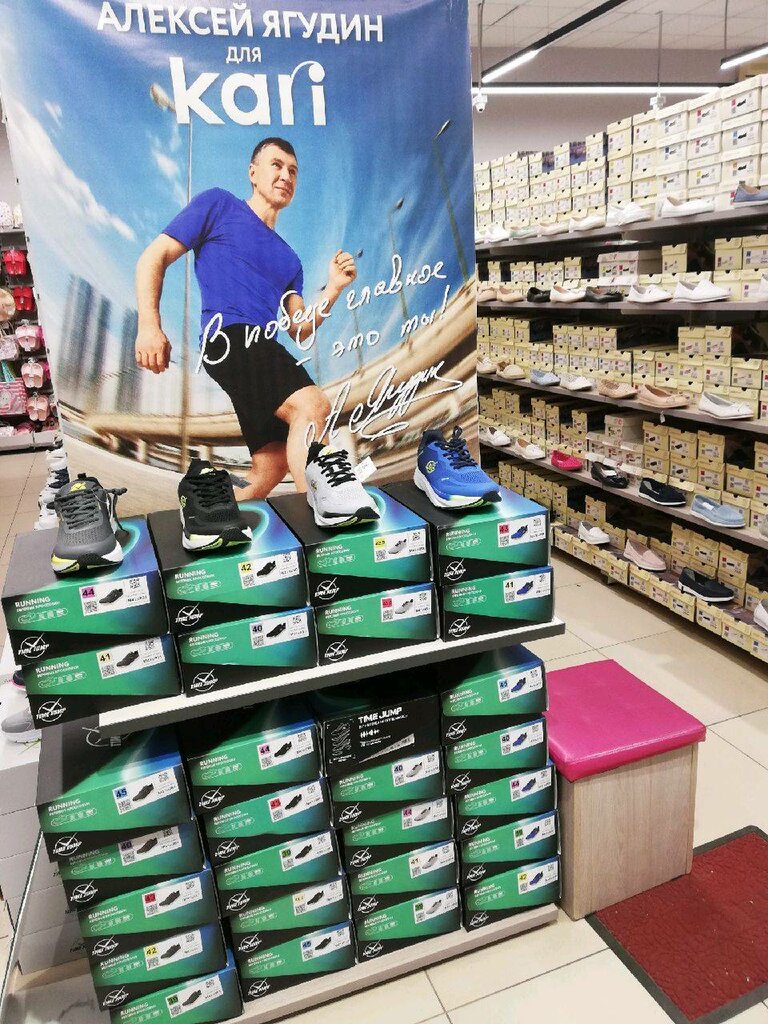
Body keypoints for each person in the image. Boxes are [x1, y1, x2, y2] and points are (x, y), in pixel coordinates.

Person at [134, 137, 356, 498]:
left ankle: (209, 514)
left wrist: (333, 288)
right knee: (313, 405)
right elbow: (153, 257)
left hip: (259, 346)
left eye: (293, 171)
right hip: (230, 338)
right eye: (276, 165)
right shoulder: (219, 204)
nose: (286, 175)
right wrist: (149, 325)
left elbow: (300, 330)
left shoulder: (290, 260)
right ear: (253, 173)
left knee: (271, 464)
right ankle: (326, 517)